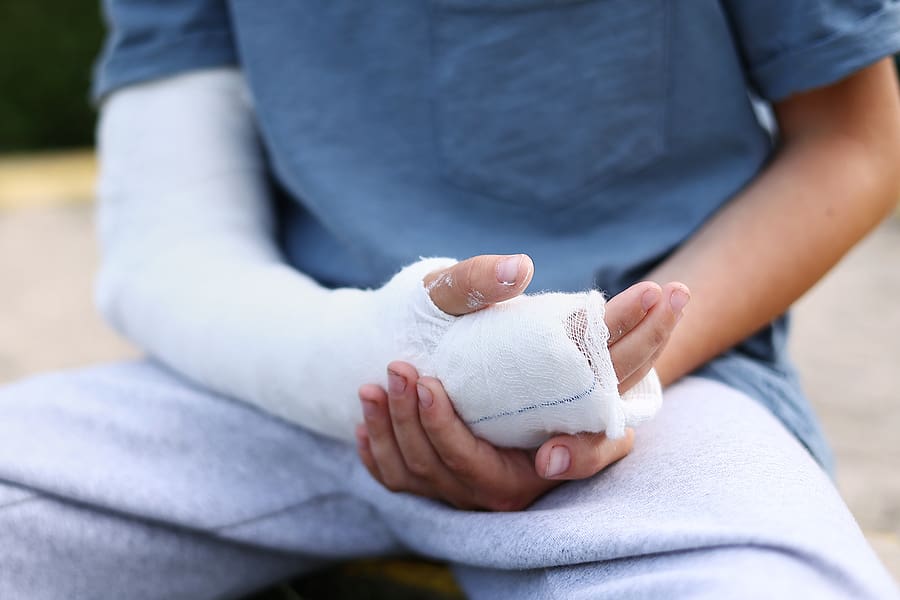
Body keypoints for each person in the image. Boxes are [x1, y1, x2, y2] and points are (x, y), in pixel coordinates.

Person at [2, 1, 900, 598]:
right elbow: (171, 240)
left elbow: (856, 143)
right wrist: (393, 353)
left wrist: (584, 372)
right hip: (261, 392)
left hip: (643, 408)